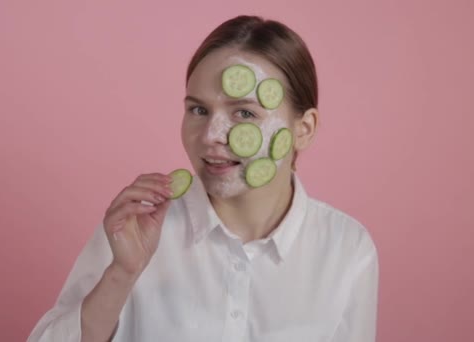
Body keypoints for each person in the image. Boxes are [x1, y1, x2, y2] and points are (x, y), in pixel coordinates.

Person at [28, 15, 378, 342]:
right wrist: (121, 274)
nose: (212, 134)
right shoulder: (140, 227)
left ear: (303, 129)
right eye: (198, 109)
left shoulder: (347, 249)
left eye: (244, 113)